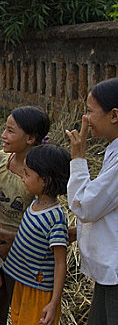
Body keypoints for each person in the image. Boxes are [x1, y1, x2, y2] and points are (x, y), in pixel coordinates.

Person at [0, 105, 50, 325]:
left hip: (27, 247)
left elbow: (41, 212)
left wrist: (10, 239)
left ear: (31, 138)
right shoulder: (2, 159)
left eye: (11, 131)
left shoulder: (40, 172)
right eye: (5, 129)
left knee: (20, 298)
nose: (3, 135)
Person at [66, 78, 118, 325]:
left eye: (89, 111)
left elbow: (86, 206)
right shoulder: (112, 150)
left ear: (114, 115)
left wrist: (78, 158)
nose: (85, 119)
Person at [3, 144, 71, 325]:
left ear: (45, 180)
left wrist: (54, 302)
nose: (23, 179)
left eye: (26, 174)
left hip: (39, 291)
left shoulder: (55, 217)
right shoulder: (35, 203)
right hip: (23, 283)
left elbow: (60, 262)